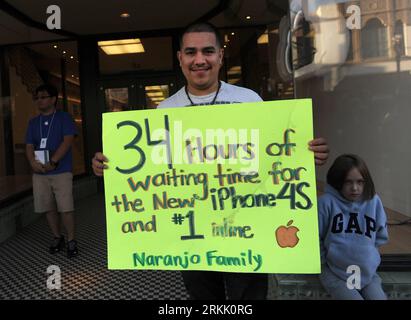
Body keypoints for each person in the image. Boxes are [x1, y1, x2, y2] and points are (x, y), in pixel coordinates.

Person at [92, 22, 329, 299]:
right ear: (180, 58)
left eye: (208, 51)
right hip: (193, 234)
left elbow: (272, 157)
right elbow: (154, 171)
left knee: (247, 299)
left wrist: (302, 155)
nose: (199, 60)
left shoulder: (248, 101)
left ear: (220, 55)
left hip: (246, 226)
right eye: (191, 52)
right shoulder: (165, 110)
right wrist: (111, 164)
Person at [318, 154, 388, 300]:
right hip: (334, 273)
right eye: (348, 182)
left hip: (367, 274)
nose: (355, 188)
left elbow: (380, 235)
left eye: (360, 182)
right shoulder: (326, 203)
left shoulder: (373, 201)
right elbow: (315, 237)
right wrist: (324, 262)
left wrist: (368, 256)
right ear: (338, 182)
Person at [25, 84, 79, 258]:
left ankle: (71, 240)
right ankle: (57, 237)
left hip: (61, 171)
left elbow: (68, 140)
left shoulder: (64, 118)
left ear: (53, 99)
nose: (39, 100)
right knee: (48, 208)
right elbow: (29, 145)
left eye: (43, 97)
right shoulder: (33, 122)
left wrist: (54, 161)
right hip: (40, 173)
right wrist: (32, 161)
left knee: (66, 208)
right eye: (37, 98)